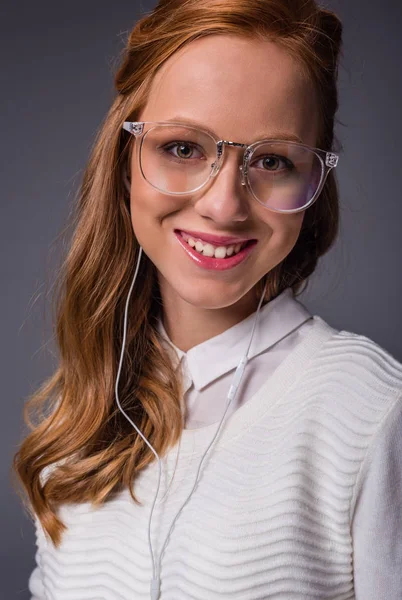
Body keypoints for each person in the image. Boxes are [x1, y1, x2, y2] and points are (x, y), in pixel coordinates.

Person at [12, 0, 402, 598]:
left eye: (272, 161)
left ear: (315, 184)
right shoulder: (82, 412)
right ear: (125, 160)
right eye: (183, 148)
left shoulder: (373, 411)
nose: (223, 205)